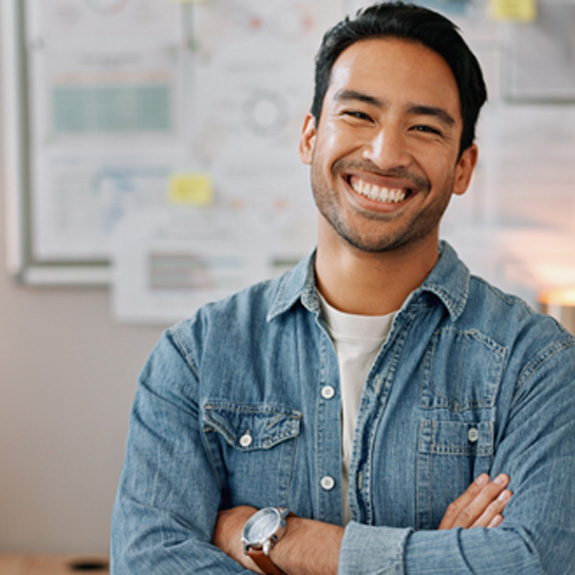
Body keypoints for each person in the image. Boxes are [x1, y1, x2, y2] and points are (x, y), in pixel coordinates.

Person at [111, 3, 575, 574]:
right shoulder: (198, 357)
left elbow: (540, 562)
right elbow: (147, 562)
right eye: (359, 115)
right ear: (310, 135)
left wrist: (282, 542)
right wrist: (443, 558)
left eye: (425, 127)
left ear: (463, 166)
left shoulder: (538, 367)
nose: (385, 154)